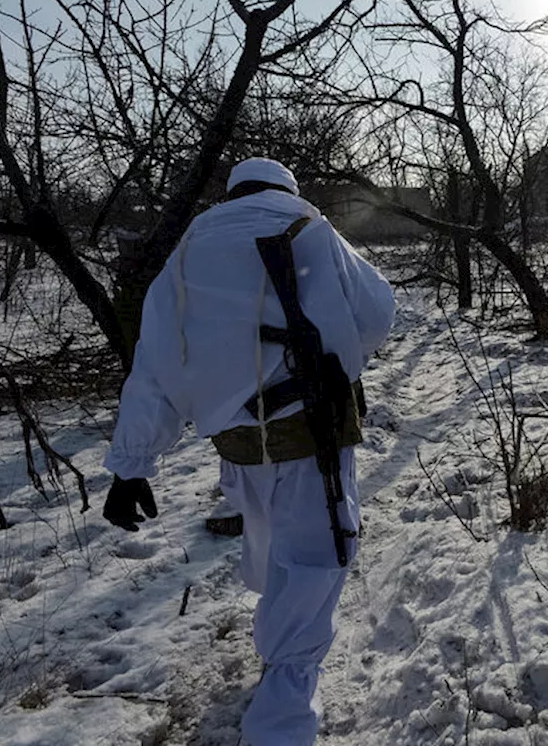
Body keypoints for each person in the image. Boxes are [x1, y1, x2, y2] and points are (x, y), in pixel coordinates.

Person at [100, 157, 395, 746]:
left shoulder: (186, 254)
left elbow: (154, 368)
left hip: (237, 450)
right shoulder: (309, 227)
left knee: (272, 551)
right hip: (311, 438)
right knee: (315, 563)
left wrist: (132, 467)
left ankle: (274, 649)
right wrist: (339, 356)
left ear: (232, 193)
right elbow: (378, 313)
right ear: (288, 187)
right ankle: (281, 725)